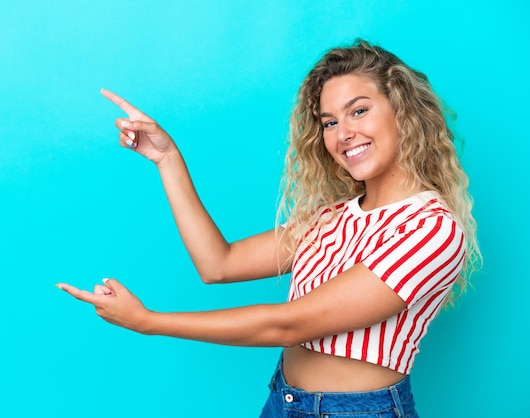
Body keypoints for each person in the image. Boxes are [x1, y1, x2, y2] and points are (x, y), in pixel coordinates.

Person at [57, 39, 481, 417]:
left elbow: (288, 325)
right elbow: (217, 264)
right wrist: (168, 159)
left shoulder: (432, 231)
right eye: (330, 121)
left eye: (359, 110)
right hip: (284, 400)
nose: (344, 133)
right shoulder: (331, 218)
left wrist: (149, 321)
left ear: (402, 112)